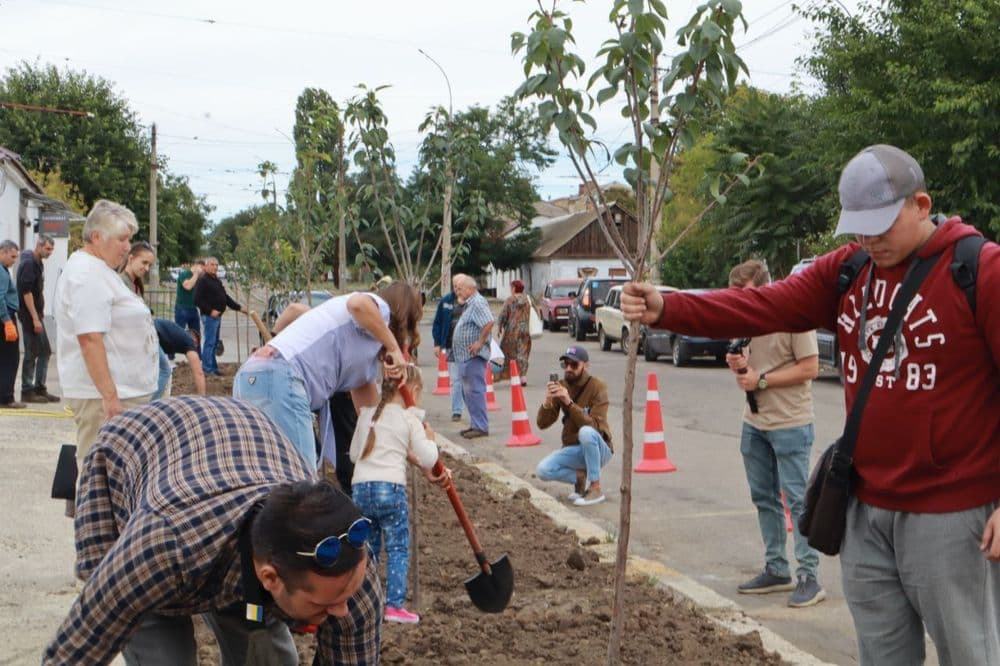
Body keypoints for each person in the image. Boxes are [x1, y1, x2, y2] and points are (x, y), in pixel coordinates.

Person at [622, 144, 1000, 665]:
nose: (870, 239)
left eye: (882, 225)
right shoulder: (848, 271)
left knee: (972, 654)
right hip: (865, 512)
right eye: (860, 227)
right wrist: (669, 306)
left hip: (953, 515)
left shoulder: (978, 270)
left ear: (921, 204)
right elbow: (762, 304)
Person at [42, 396, 382, 666]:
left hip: (240, 450)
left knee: (270, 658)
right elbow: (80, 646)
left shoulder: (349, 574)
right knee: (165, 656)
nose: (343, 610)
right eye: (327, 604)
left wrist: (328, 601)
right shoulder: (163, 544)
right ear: (270, 577)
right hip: (133, 460)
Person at [234, 282, 421, 475]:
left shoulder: (364, 367)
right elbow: (358, 304)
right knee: (301, 479)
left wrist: (418, 459)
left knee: (264, 477)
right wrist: (393, 347)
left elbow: (374, 423)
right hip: (281, 377)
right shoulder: (379, 307)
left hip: (251, 375)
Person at [725, 259, 825, 608]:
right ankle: (776, 568)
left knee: (798, 502)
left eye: (747, 294)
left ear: (767, 286)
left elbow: (811, 367)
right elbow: (753, 365)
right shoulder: (747, 317)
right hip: (755, 422)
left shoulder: (794, 313)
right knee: (763, 498)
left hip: (790, 423)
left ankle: (809, 575)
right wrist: (740, 365)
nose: (741, 302)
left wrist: (761, 379)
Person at [54, 200, 159, 474]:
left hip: (119, 394)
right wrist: (110, 396)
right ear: (97, 237)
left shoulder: (99, 271)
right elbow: (90, 338)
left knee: (114, 474)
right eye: (122, 239)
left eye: (129, 239)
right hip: (105, 399)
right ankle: (92, 518)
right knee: (101, 476)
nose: (127, 247)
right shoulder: (87, 273)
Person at [349, 364, 439, 624]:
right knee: (398, 546)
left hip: (361, 489)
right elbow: (427, 457)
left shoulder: (367, 414)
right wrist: (430, 439)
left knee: (369, 546)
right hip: (390, 487)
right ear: (414, 390)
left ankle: (366, 600)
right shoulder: (408, 418)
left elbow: (355, 455)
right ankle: (394, 605)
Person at [535, 345, 614, 506]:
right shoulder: (562, 385)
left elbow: (595, 428)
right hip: (575, 448)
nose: (569, 369)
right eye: (566, 364)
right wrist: (548, 401)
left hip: (600, 448)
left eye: (574, 365)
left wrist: (569, 403)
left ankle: (595, 487)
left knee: (585, 432)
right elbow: (542, 424)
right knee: (542, 470)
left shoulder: (598, 387)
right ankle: (579, 477)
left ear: (586, 366)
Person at [451, 275, 494, 439]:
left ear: (470, 289)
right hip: (465, 356)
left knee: (475, 391)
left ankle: (481, 426)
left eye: (460, 288)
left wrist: (479, 343)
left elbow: (489, 322)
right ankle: (476, 424)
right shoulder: (470, 303)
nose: (457, 291)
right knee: (468, 392)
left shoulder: (477, 302)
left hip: (473, 356)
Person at [17, 233, 57, 403]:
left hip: (37, 315)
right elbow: (26, 293)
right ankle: (27, 390)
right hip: (29, 316)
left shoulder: (38, 263)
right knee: (32, 352)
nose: (50, 252)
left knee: (45, 351)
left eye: (52, 249)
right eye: (48, 249)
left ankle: (40, 387)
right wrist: (34, 318)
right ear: (39, 246)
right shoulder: (29, 263)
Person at [193, 256, 241, 376]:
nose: (215, 267)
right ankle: (207, 369)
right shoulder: (203, 280)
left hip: (217, 317)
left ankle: (213, 368)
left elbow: (225, 298)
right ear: (206, 266)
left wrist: (239, 308)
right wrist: (210, 311)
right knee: (209, 343)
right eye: (212, 264)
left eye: (216, 265)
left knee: (214, 343)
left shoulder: (216, 280)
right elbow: (197, 300)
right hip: (209, 317)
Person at [431, 273, 467, 422]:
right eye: (455, 287)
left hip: (469, 347)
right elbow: (437, 323)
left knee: (468, 379)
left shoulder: (473, 301)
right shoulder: (446, 301)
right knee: (456, 379)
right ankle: (457, 410)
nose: (458, 290)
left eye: (460, 287)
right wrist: (437, 344)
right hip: (451, 346)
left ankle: (470, 405)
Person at [153, 318, 206, 399]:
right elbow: (199, 373)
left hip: (147, 329)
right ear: (194, 340)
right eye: (196, 347)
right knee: (165, 371)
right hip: (152, 334)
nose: (195, 349)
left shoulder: (176, 334)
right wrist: (202, 398)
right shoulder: (189, 341)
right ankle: (152, 401)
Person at [0, 239, 24, 409]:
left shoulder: (4, 270)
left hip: (5, 316)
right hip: (5, 317)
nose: (14, 261)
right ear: (2, 252)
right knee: (10, 358)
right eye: (12, 256)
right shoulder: (1, 272)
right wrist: (7, 321)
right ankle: (6, 397)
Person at [497, 279, 533, 383]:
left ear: (514, 288)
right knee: (523, 353)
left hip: (512, 331)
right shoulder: (528, 299)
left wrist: (500, 326)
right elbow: (536, 312)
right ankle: (523, 377)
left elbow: (503, 314)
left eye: (511, 287)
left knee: (510, 353)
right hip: (525, 330)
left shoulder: (510, 300)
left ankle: (510, 374)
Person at [174, 259, 204, 350]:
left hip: (193, 309)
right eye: (201, 268)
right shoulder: (184, 274)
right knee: (178, 334)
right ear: (195, 266)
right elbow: (188, 286)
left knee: (196, 335)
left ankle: (198, 358)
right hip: (182, 308)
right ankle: (171, 358)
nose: (202, 271)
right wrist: (196, 274)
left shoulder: (199, 277)